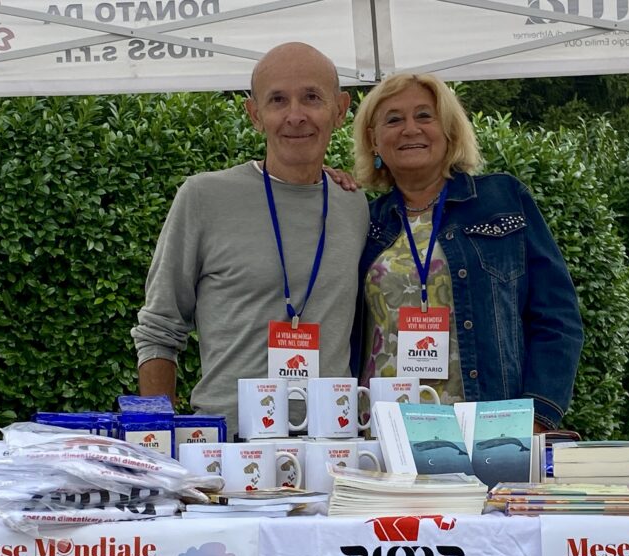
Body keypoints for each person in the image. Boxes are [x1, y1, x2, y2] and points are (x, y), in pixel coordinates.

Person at [132, 42, 369, 437]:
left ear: (340, 109)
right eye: (278, 100)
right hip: (229, 443)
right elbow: (159, 328)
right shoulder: (204, 197)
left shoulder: (354, 203)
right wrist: (159, 437)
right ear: (255, 115)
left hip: (332, 443)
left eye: (311, 97)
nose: (296, 115)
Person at [350, 73, 583, 428]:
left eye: (424, 116)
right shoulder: (363, 220)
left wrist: (538, 415)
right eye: (393, 119)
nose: (410, 128)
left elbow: (557, 317)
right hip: (381, 432)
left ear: (449, 130)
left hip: (486, 429)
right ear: (374, 141)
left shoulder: (503, 200)